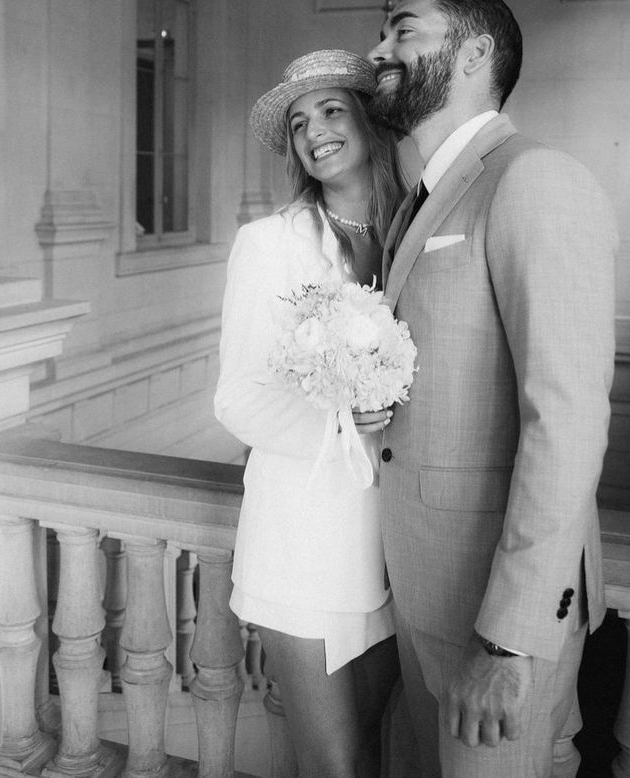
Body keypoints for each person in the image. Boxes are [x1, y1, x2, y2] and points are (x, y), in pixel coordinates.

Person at [367, 0, 619, 778]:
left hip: (493, 608)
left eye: (401, 32)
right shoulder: (424, 199)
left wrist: (508, 639)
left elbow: (567, 422)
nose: (377, 53)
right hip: (423, 584)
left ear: (475, 53)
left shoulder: (534, 179)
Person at [214, 49, 408, 777]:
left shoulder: (408, 235)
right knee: (336, 767)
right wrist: (338, 421)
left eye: (330, 110)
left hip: (394, 545)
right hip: (303, 541)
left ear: (368, 122)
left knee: (378, 749)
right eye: (299, 122)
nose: (313, 132)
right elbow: (234, 397)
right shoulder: (269, 244)